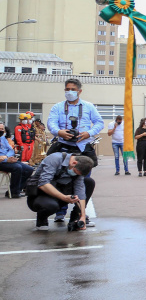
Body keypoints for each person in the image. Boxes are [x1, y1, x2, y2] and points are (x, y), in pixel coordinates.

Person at [47, 78, 103, 225]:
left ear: (79, 91)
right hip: (63, 148)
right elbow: (51, 123)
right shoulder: (57, 107)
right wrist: (59, 132)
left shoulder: (88, 106)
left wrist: (88, 133)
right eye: (67, 89)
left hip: (83, 148)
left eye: (72, 89)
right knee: (62, 180)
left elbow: (99, 122)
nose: (69, 92)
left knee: (84, 182)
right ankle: (60, 212)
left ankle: (79, 213)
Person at [25, 152, 94, 231]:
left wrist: (82, 216)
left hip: (61, 191)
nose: (75, 174)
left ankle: (76, 219)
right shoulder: (54, 159)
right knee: (51, 206)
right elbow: (43, 184)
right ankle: (42, 219)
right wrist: (64, 197)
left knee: (89, 182)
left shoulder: (79, 167)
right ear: (74, 163)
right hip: (41, 194)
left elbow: (80, 191)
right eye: (75, 172)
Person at [0, 122, 34, 199]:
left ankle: (17, 189)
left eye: (2, 129)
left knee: (29, 169)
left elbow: (11, 150)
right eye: (0, 129)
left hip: (8, 160)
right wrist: (5, 159)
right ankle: (14, 192)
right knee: (17, 167)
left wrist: (7, 157)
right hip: (1, 162)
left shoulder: (2, 138)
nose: (1, 131)